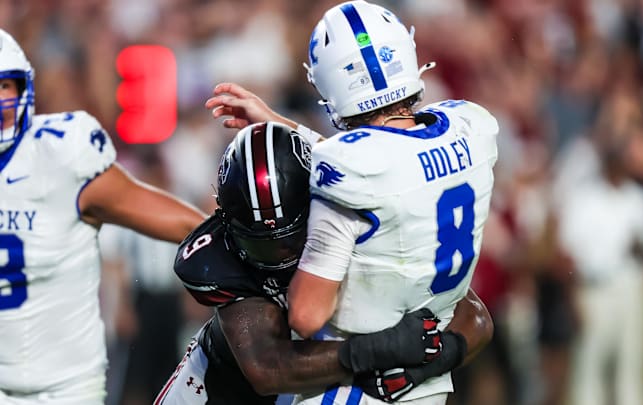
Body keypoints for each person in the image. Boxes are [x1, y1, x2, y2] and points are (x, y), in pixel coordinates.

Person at [205, 2, 499, 403]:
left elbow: (307, 317)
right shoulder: (472, 127)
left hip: (351, 388)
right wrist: (282, 123)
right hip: (425, 388)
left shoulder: (352, 171)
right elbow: (396, 162)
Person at [154, 121, 494, 405]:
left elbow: (473, 317)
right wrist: (381, 352)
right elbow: (269, 368)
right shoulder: (222, 259)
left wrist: (422, 365)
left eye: (293, 238)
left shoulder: (348, 215)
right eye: (263, 245)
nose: (283, 255)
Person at [0, 29, 207, 404]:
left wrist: (235, 243)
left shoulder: (59, 156)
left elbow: (185, 224)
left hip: (63, 389)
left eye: (5, 86)